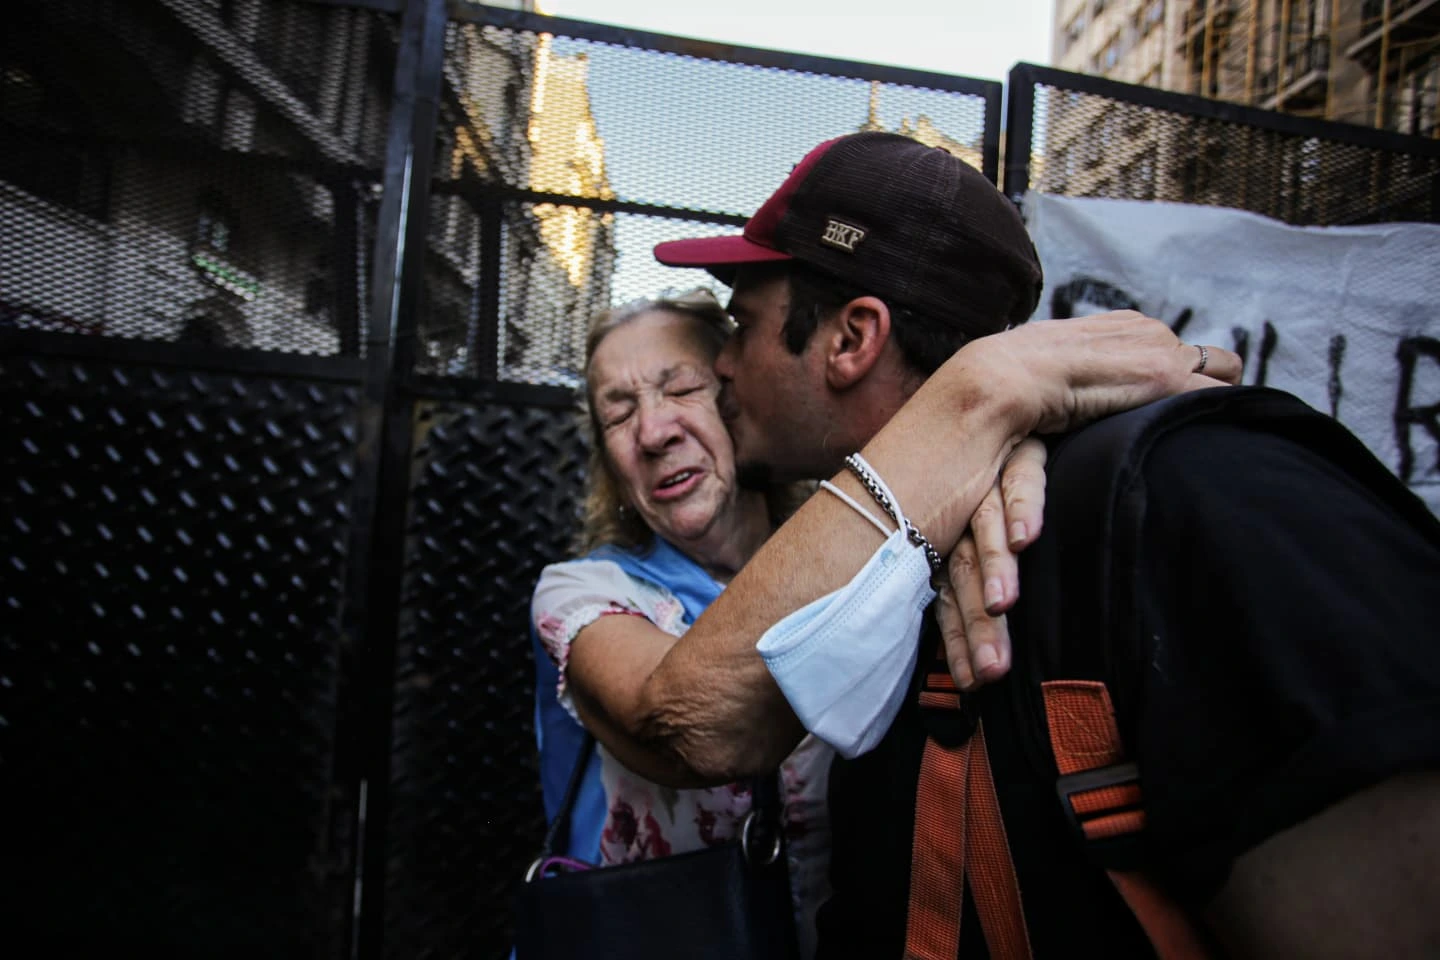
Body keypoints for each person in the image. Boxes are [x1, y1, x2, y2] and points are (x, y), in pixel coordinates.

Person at [651, 131, 1440, 957]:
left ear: (853, 338)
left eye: (743, 326)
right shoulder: (897, 543)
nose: (724, 367)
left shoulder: (1194, 493)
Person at [529, 289, 835, 956]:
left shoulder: (848, 562)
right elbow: (688, 727)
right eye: (618, 413)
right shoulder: (582, 593)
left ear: (739, 397)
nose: (653, 432)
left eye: (682, 388)